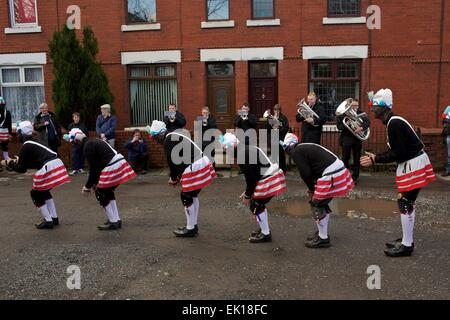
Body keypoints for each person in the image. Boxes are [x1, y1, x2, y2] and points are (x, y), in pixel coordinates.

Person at [361, 88, 436, 257]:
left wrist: (375, 159)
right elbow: (398, 151)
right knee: (407, 202)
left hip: (413, 164)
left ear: (385, 108)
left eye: (376, 106)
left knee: (405, 202)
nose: (372, 109)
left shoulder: (394, 123)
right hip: (413, 162)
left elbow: (398, 153)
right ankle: (406, 240)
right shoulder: (393, 122)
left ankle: (407, 245)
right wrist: (378, 157)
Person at [281, 133, 354, 248]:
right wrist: (313, 188)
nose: (288, 153)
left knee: (317, 204)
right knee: (321, 202)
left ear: (288, 148)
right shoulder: (304, 146)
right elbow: (314, 168)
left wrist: (311, 189)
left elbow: (306, 173)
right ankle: (322, 233)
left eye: (286, 150)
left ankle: (323, 238)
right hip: (338, 170)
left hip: (332, 173)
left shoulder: (296, 152)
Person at [148, 120, 216, 237]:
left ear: (161, 133)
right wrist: (178, 177)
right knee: (192, 194)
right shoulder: (174, 134)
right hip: (201, 161)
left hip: (195, 164)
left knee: (186, 195)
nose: (155, 140)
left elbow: (172, 162)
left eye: (155, 137)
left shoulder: (169, 140)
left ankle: (190, 228)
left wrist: (173, 178)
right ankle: (193, 225)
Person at [1, 121, 70, 229]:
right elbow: (34, 162)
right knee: (44, 191)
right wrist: (19, 161)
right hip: (56, 163)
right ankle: (54, 218)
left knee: (35, 193)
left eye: (18, 133)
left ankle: (48, 221)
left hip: (50, 166)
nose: (17, 135)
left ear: (21, 133)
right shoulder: (34, 141)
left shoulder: (26, 146)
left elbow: (21, 169)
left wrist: (8, 162)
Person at [64, 128, 136, 230]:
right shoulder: (93, 141)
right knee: (107, 191)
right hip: (120, 162)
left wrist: (87, 186)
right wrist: (94, 183)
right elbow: (98, 167)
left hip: (113, 165)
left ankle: (113, 221)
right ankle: (116, 220)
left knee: (100, 191)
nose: (75, 145)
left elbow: (94, 169)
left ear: (76, 141)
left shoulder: (87, 146)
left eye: (74, 143)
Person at [220, 132, 286, 243]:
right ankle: (264, 229)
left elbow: (251, 179)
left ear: (232, 146)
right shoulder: (246, 148)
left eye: (226, 149)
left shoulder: (242, 154)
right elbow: (254, 177)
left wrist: (247, 195)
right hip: (271, 175)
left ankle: (266, 234)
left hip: (270, 178)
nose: (227, 152)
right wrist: (247, 192)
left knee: (256, 204)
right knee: (257, 202)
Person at [336, 99, 370, 184]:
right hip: (346, 138)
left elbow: (368, 122)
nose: (355, 108)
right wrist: (346, 124)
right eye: (353, 106)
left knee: (356, 158)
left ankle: (355, 177)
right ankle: (344, 176)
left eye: (356, 106)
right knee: (345, 158)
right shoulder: (343, 115)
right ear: (349, 106)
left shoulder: (361, 113)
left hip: (357, 139)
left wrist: (361, 128)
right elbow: (339, 127)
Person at [264, 104, 289, 172]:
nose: (276, 111)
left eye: (278, 110)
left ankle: (282, 169)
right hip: (272, 137)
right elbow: (266, 128)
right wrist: (270, 124)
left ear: (280, 110)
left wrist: (278, 129)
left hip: (280, 138)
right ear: (273, 110)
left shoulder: (283, 118)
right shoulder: (271, 118)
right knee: (274, 154)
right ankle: (275, 169)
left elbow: (286, 128)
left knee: (281, 154)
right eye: (275, 110)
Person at [0, 97, 12, 165]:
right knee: (3, 147)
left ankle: (6, 161)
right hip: (3, 131)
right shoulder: (7, 112)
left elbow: (9, 123)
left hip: (5, 131)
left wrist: (10, 133)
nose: (1, 106)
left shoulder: (7, 112)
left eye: (2, 104)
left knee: (4, 146)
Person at [441, 106, 450, 177]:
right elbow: (444, 117)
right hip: (449, 134)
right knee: (449, 154)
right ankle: (448, 170)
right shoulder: (449, 108)